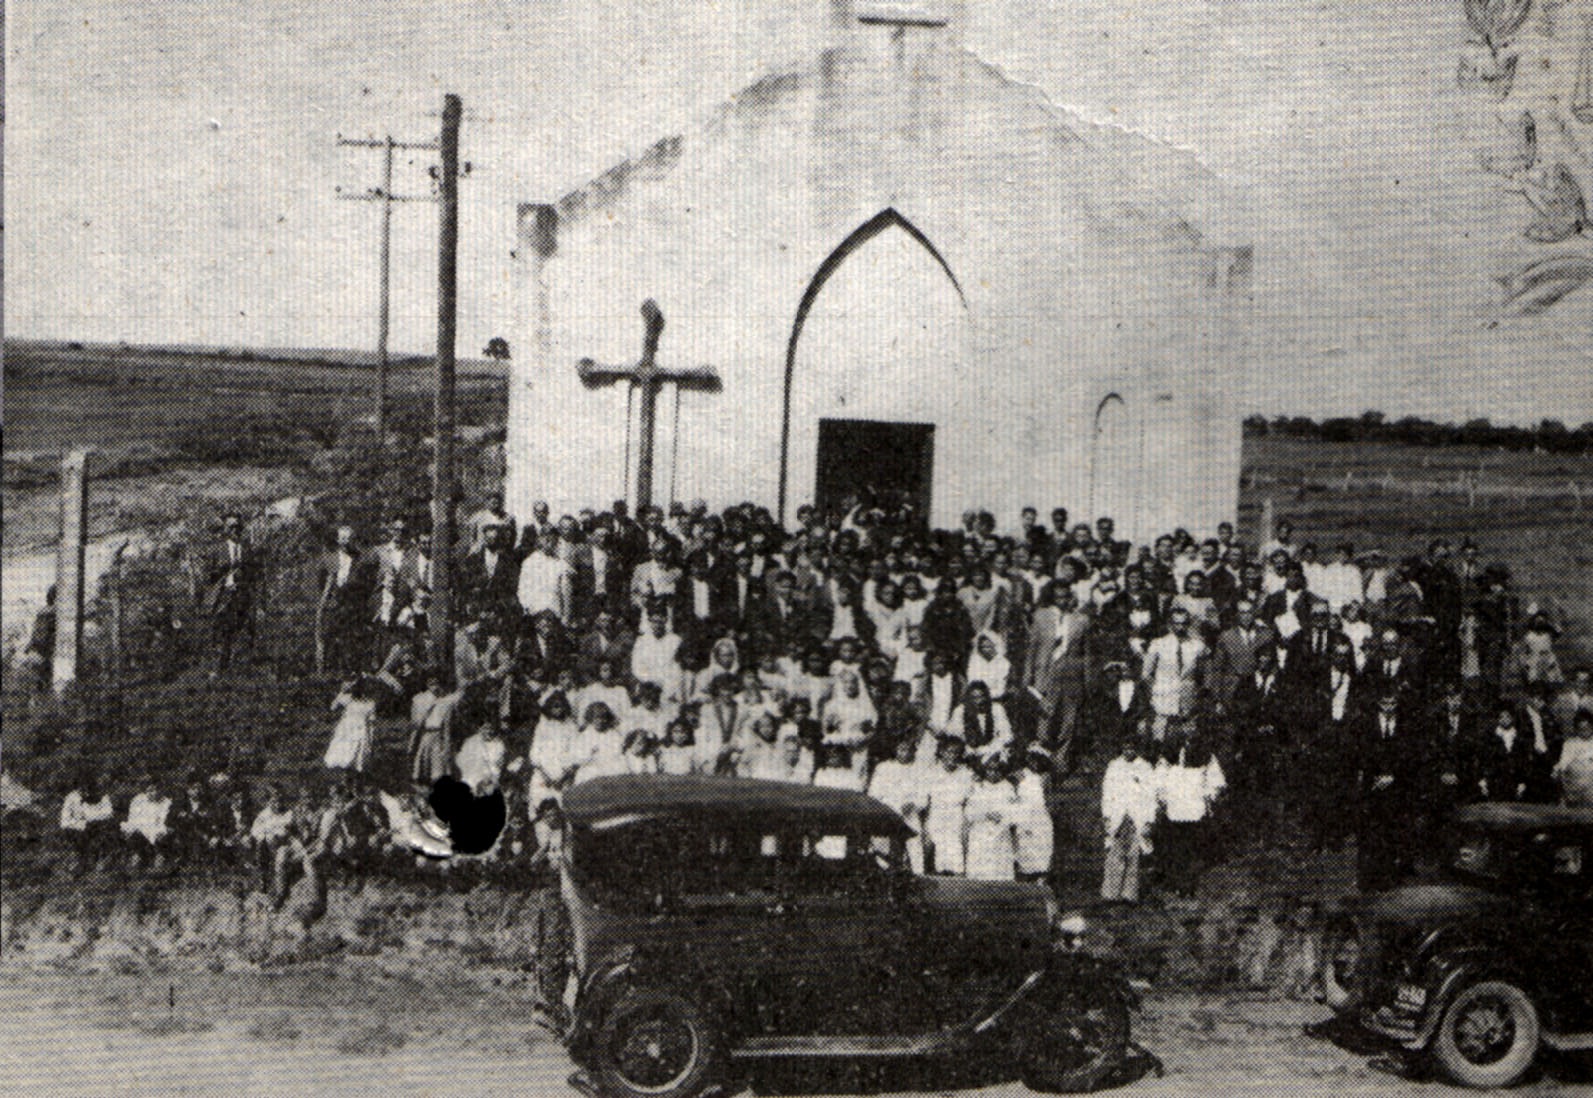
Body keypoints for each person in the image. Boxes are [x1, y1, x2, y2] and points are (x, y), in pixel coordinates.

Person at [1355, 692, 1422, 892]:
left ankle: (1389, 878)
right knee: (1370, 833)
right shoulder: (1367, 725)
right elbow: (1362, 753)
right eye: (1385, 702)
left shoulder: (1404, 725)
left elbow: (1408, 755)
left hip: (1395, 787)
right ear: (1378, 703)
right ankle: (1367, 879)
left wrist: (1393, 776)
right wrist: (1373, 777)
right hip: (1372, 787)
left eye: (1392, 702)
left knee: (1391, 831)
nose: (1389, 707)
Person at [1101, 736, 1158, 903]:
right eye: (1125, 748)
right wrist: (1107, 816)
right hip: (1118, 814)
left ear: (1137, 748)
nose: (1129, 751)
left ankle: (1129, 894)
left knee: (1133, 854)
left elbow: (1151, 796)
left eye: (1132, 748)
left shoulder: (1145, 767)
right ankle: (1111, 893)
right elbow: (1107, 793)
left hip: (1137, 816)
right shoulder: (1114, 766)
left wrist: (1148, 820)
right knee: (1115, 853)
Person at [204, 512, 259, 676]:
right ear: (226, 529)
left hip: (242, 595)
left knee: (241, 629)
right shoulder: (216, 549)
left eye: (237, 526)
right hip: (223, 596)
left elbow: (254, 574)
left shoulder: (247, 549)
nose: (235, 530)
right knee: (220, 631)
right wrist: (224, 570)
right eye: (231, 527)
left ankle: (239, 668)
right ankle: (217, 668)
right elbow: (208, 575)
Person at [1142, 608, 1206, 741]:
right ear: (1170, 624)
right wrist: (1155, 692)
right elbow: (1146, 675)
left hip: (1187, 699)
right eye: (1176, 623)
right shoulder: (1158, 644)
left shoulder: (1197, 646)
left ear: (1189, 624)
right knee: (1160, 737)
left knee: (1187, 737)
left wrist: (1196, 691)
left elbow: (1204, 673)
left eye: (1184, 623)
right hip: (1163, 698)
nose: (1180, 627)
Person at [317, 525, 373, 676]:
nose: (345, 542)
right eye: (342, 538)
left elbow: (365, 586)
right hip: (333, 606)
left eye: (348, 539)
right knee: (329, 639)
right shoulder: (329, 558)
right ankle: (328, 672)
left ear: (353, 540)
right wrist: (327, 601)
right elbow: (321, 581)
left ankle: (349, 673)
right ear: (337, 540)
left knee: (349, 641)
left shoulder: (360, 559)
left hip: (351, 607)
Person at [868, 735, 928, 872]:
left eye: (908, 749)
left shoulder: (920, 770)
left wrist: (913, 805)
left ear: (914, 750)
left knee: (914, 845)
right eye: (901, 749)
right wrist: (885, 808)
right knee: (881, 845)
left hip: (910, 814)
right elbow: (874, 793)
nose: (905, 753)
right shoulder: (883, 768)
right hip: (887, 812)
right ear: (895, 750)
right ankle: (882, 874)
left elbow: (923, 797)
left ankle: (918, 875)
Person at [923, 737, 973, 875]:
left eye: (957, 752)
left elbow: (968, 802)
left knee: (956, 854)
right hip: (937, 814)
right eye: (950, 752)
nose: (953, 756)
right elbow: (926, 800)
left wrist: (965, 825)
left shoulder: (966, 774)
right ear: (942, 752)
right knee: (933, 851)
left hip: (956, 815)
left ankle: (956, 887)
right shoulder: (932, 772)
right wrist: (926, 824)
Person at [964, 756, 1019, 881]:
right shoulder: (978, 787)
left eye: (997, 770)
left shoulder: (1008, 788)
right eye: (990, 770)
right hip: (980, 832)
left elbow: (1014, 812)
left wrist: (1003, 818)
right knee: (980, 868)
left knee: (999, 867)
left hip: (1000, 833)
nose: (993, 773)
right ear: (985, 770)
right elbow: (969, 812)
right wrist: (986, 814)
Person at [408, 674, 460, 787]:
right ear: (426, 684)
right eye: (431, 684)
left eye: (437, 683)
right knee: (423, 766)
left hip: (439, 736)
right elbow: (415, 723)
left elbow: (448, 725)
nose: (435, 687)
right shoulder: (419, 699)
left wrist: (447, 744)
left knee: (439, 768)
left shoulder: (447, 701)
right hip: (425, 735)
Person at [59, 772, 116, 872]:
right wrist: (81, 823)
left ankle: (100, 860)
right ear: (77, 787)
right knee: (76, 836)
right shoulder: (71, 798)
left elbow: (109, 813)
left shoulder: (101, 796)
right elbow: (64, 821)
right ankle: (78, 861)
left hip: (97, 826)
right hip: (77, 828)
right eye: (81, 788)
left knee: (103, 832)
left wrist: (92, 818)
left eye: (88, 788)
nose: (85, 792)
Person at [324, 676, 378, 773]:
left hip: (360, 732)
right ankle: (345, 779)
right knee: (345, 754)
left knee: (356, 755)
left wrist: (371, 738)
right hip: (346, 731)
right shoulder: (348, 699)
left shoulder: (370, 703)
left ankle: (354, 780)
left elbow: (371, 723)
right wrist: (342, 692)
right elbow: (333, 707)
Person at [122, 777, 173, 870]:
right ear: (145, 790)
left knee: (162, 835)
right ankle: (138, 855)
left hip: (157, 828)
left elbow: (164, 820)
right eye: (150, 790)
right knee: (132, 833)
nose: (154, 793)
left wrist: (160, 830)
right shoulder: (138, 800)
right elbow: (133, 818)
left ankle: (159, 856)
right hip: (141, 828)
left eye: (157, 789)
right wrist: (133, 828)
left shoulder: (166, 802)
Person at [1553, 711, 1593, 806]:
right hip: (1575, 783)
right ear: (1576, 729)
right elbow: (1563, 763)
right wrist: (1558, 770)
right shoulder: (1570, 744)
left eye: (1587, 728)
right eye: (1581, 729)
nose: (1585, 732)